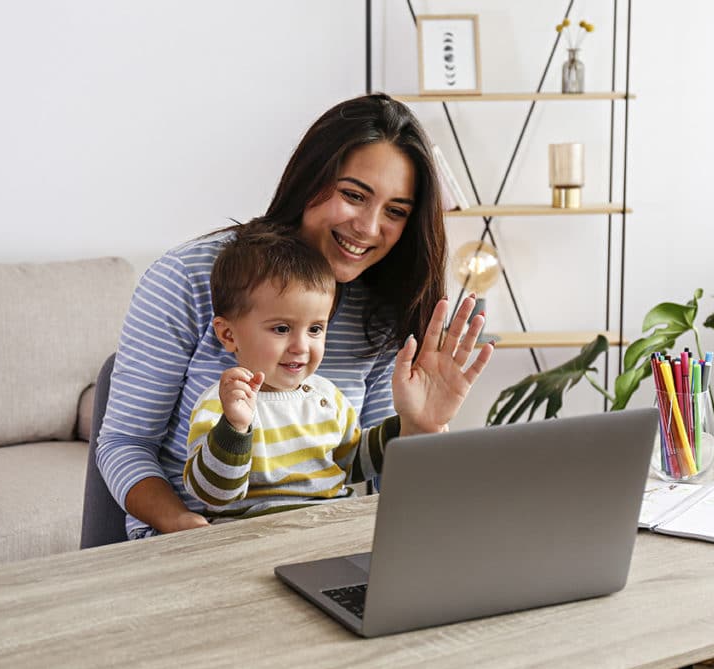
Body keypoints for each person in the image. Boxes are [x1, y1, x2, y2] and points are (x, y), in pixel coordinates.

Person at [96, 93, 488, 539]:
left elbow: (375, 476)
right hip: (198, 546)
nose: (369, 227)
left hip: (319, 546)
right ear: (309, 181)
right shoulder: (187, 278)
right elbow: (124, 444)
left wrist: (423, 428)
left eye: (395, 212)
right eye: (353, 195)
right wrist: (184, 528)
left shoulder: (380, 309)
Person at [183, 227, 489, 520]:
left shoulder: (327, 396)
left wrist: (412, 424)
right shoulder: (224, 405)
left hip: (331, 525)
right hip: (252, 539)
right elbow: (212, 495)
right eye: (281, 329)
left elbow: (353, 463)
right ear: (228, 335)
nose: (300, 346)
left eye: (315, 329)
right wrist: (235, 428)